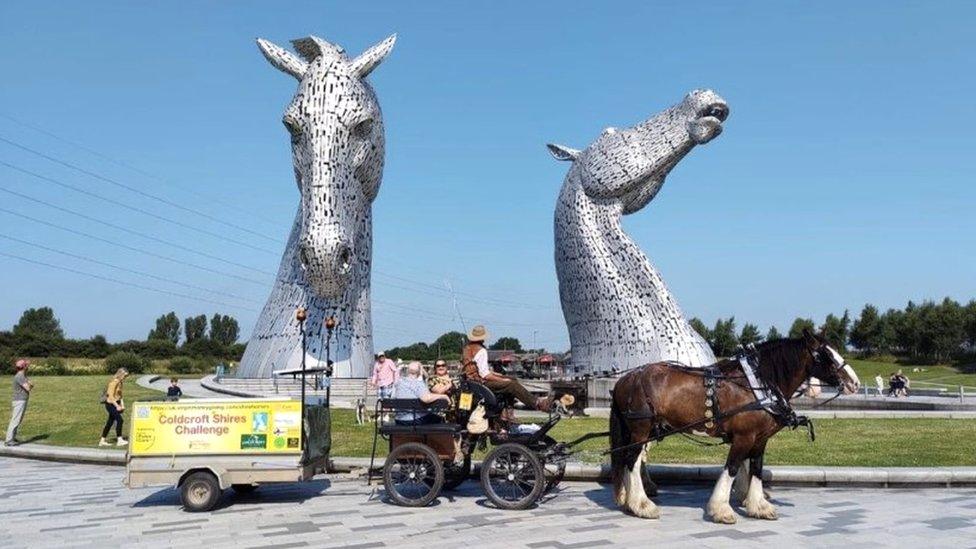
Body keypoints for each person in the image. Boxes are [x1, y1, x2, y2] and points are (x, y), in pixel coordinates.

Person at [461, 325, 554, 412]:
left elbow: (478, 369)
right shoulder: (481, 350)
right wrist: (503, 380)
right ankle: (538, 403)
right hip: (481, 383)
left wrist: (499, 375)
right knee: (512, 384)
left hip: (471, 383)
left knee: (511, 379)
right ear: (483, 338)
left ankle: (507, 412)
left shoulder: (467, 349)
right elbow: (485, 375)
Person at [5, 359, 34, 446]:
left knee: (18, 420)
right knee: (15, 420)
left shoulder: (23, 375)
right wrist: (30, 385)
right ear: (23, 367)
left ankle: (12, 438)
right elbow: (29, 387)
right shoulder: (20, 376)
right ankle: (9, 440)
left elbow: (29, 385)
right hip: (19, 401)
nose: (27, 367)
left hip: (21, 400)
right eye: (26, 365)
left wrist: (29, 384)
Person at [100, 368, 129, 446]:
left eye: (126, 376)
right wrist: (117, 406)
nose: (125, 377)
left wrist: (122, 405)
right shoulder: (113, 382)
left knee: (110, 422)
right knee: (120, 420)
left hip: (116, 403)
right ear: (120, 374)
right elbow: (110, 396)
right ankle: (119, 440)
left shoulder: (120, 383)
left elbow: (120, 395)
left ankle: (102, 441)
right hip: (110, 404)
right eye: (125, 376)